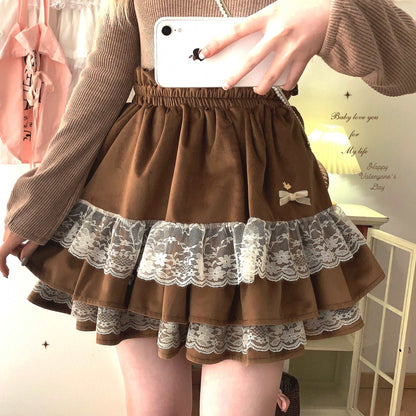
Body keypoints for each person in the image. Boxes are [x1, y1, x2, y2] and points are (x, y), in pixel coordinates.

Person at [1, 0, 415, 415]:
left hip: (255, 199)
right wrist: (37, 205)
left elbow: (408, 65)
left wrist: (329, 13)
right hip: (146, 200)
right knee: (154, 410)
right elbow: (100, 88)